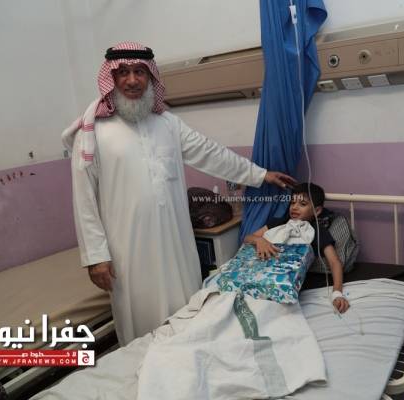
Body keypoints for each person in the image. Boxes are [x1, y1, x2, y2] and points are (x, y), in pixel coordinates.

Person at [61, 42, 296, 345]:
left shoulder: (168, 124)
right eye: (123, 73)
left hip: (176, 241)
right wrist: (96, 257)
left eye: (139, 72)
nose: (132, 80)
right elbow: (84, 201)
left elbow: (212, 154)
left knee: (187, 312)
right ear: (112, 78)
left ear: (150, 77)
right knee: (141, 323)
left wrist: (260, 175)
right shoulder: (93, 131)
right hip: (128, 249)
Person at [243, 183, 350, 313]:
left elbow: (335, 262)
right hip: (260, 275)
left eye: (302, 204)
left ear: (316, 211)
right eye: (292, 203)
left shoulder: (316, 231)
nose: (294, 207)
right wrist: (259, 240)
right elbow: (247, 238)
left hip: (287, 283)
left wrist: (337, 293)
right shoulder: (278, 223)